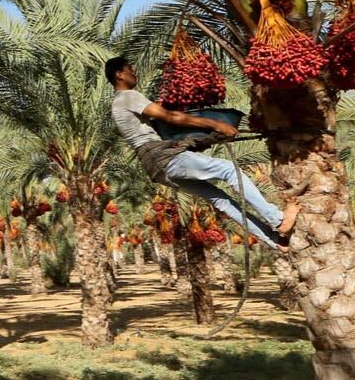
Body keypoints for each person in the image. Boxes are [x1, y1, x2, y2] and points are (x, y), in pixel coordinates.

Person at [105, 56, 299, 247]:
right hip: (162, 157)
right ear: (119, 74)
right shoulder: (128, 96)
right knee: (229, 170)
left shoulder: (117, 105)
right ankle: (277, 220)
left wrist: (200, 140)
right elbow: (170, 117)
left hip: (154, 167)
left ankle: (275, 241)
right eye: (130, 68)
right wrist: (215, 123)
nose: (134, 72)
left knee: (220, 200)